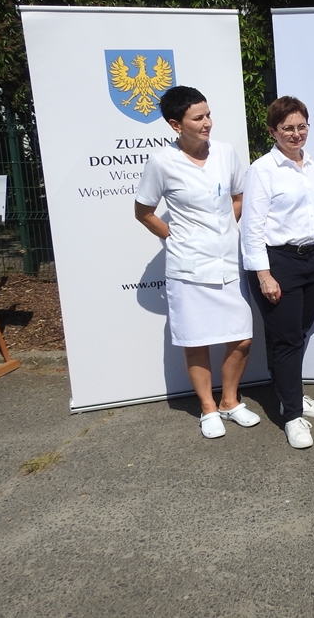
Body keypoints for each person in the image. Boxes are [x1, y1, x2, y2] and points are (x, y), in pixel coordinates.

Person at [134, 86, 257, 439]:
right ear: (176, 124)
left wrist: (224, 231)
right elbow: (143, 211)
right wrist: (175, 237)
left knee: (241, 338)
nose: (207, 123)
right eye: (198, 118)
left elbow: (238, 197)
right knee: (197, 340)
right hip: (188, 268)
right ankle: (208, 408)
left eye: (208, 115)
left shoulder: (225, 153)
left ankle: (229, 401)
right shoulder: (162, 162)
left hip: (228, 263)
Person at [241, 97, 314, 450]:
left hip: (312, 259)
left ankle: (290, 395)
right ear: (272, 132)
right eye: (288, 128)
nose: (296, 134)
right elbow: (251, 228)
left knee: (298, 334)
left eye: (302, 126)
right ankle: (293, 415)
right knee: (286, 340)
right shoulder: (262, 170)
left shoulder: (311, 165)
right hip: (278, 263)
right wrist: (264, 276)